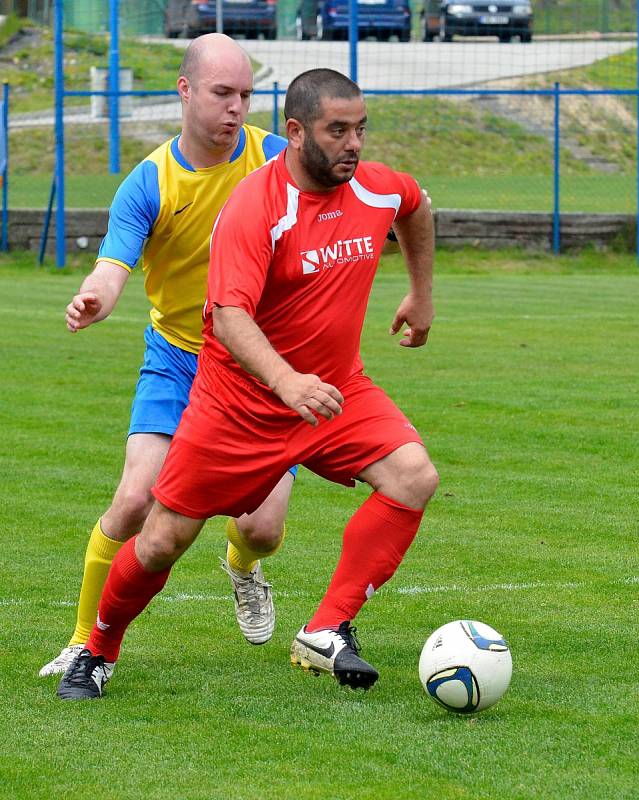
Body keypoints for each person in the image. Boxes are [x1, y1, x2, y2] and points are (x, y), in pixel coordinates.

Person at [56, 67, 439, 701]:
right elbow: (228, 316)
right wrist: (286, 382)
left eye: (360, 129)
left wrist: (422, 296)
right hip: (238, 406)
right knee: (160, 539)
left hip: (335, 390)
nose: (354, 145)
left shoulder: (373, 189)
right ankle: (97, 649)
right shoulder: (255, 205)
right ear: (295, 133)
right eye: (337, 131)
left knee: (413, 478)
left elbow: (416, 204)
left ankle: (325, 628)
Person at [39, 34, 296, 678]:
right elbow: (112, 265)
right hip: (179, 360)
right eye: (221, 94)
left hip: (256, 368)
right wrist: (93, 298)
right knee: (134, 501)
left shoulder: (275, 160)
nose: (237, 107)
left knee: (261, 528)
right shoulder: (149, 181)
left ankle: (242, 566)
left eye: (245, 94)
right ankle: (83, 640)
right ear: (184, 91)